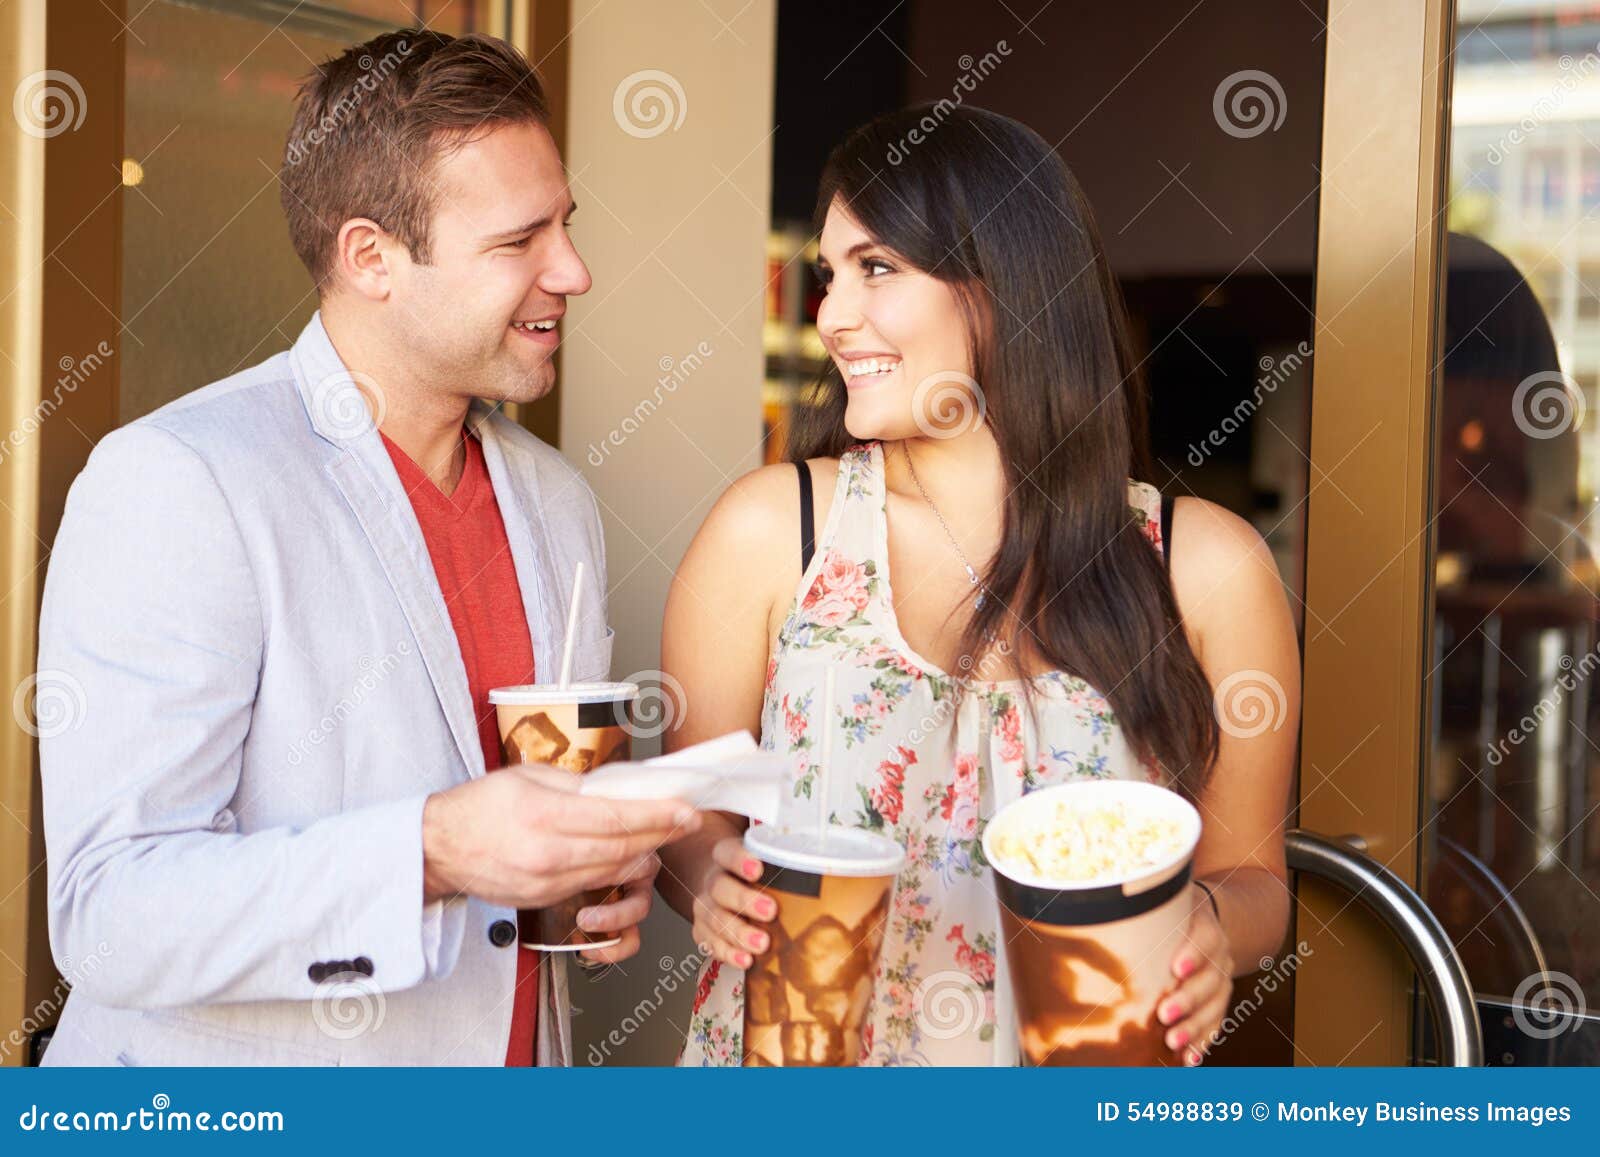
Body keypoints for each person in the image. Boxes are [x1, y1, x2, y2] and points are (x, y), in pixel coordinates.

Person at [36, 30, 700, 1067]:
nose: (573, 269)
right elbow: (110, 911)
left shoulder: (555, 502)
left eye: (565, 224)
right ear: (370, 258)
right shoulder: (178, 480)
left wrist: (596, 886)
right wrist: (431, 850)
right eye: (518, 239)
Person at [657, 106, 1300, 1066]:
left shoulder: (1205, 567)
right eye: (831, 276)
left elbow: (1254, 879)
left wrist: (1211, 921)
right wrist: (711, 877)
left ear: (1007, 283)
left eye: (878, 269)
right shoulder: (773, 532)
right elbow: (691, 820)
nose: (832, 314)